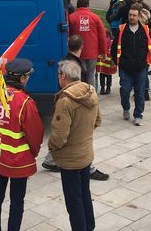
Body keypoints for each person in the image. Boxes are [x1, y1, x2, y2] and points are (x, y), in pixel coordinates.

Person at [0, 58, 44, 231]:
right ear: (22, 79)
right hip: (18, 162)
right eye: (27, 77)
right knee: (17, 201)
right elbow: (35, 135)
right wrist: (33, 154)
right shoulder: (25, 103)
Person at [41, 35, 109, 181]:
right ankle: (89, 169)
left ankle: (50, 160)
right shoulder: (76, 64)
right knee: (80, 139)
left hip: (74, 105)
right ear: (81, 47)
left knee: (70, 134)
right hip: (78, 107)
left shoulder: (67, 61)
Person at [49, 60, 100, 231]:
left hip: (70, 160)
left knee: (73, 201)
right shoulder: (90, 91)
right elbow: (97, 121)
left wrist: (51, 147)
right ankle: (89, 226)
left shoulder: (65, 101)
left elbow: (59, 136)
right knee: (85, 194)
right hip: (86, 154)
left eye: (58, 75)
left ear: (63, 76)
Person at [111, 3, 151, 126]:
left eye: (134, 15)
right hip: (125, 67)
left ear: (139, 16)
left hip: (141, 68)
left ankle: (138, 115)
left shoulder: (145, 30)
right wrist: (118, 62)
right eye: (130, 15)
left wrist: (146, 63)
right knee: (124, 90)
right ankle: (126, 107)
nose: (131, 17)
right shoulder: (122, 30)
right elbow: (114, 48)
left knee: (139, 92)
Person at [68, 0, 107, 86]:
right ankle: (91, 95)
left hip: (76, 52)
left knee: (78, 75)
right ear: (87, 6)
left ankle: (79, 94)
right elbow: (102, 36)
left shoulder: (71, 18)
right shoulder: (95, 17)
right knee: (90, 75)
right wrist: (103, 51)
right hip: (92, 52)